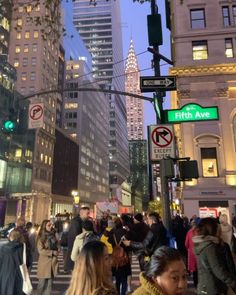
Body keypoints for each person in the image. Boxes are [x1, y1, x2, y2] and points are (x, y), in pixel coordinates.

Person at [193, 217, 236, 295]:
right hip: (212, 289)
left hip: (204, 287)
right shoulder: (210, 247)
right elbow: (218, 270)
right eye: (216, 227)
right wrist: (233, 283)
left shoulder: (202, 244)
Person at [108, 217, 131, 295]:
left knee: (117, 279)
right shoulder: (125, 232)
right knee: (124, 279)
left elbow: (108, 240)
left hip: (115, 258)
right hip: (124, 257)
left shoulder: (112, 233)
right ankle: (123, 293)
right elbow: (129, 243)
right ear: (121, 224)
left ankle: (117, 293)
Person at [36, 219, 59, 295]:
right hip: (44, 263)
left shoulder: (54, 234)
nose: (50, 226)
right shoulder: (41, 237)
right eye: (48, 225)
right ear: (44, 226)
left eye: (51, 225)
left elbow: (58, 245)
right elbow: (40, 250)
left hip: (52, 263)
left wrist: (58, 248)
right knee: (41, 285)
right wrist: (52, 252)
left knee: (49, 286)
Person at [65, 206, 90, 272]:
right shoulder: (76, 222)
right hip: (75, 250)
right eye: (87, 213)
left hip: (77, 249)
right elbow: (76, 236)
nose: (88, 215)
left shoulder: (80, 221)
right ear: (81, 213)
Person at [0, 230, 25, 295]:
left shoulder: (3, 248)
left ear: (10, 237)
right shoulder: (23, 248)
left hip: (5, 275)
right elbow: (28, 262)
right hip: (19, 275)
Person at [185, 218, 199, 287]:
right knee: (199, 269)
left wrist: (189, 248)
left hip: (191, 253)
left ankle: (195, 284)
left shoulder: (189, 232)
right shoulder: (199, 232)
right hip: (199, 252)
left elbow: (186, 243)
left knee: (194, 270)